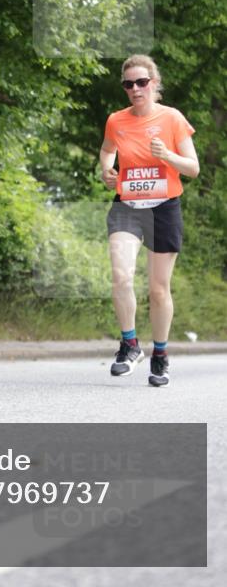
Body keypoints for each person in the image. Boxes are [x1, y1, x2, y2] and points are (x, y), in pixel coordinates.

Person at [99, 54, 199, 387]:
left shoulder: (172, 119)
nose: (135, 89)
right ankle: (129, 345)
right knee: (120, 274)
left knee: (158, 290)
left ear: (153, 83)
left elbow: (193, 167)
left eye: (142, 82)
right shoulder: (116, 120)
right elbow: (106, 151)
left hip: (164, 208)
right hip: (128, 205)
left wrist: (167, 156)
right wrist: (106, 171)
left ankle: (160, 354)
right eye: (129, 84)